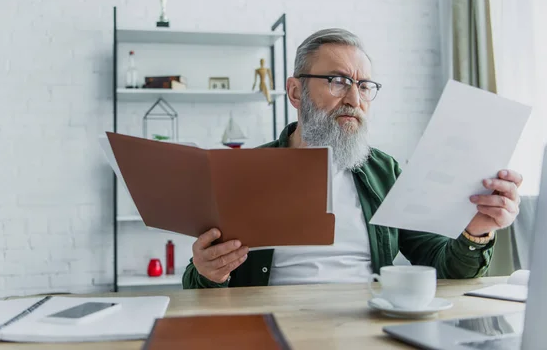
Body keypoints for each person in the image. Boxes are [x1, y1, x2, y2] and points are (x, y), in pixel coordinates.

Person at [182, 28, 523, 289]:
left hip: (366, 323)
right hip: (272, 324)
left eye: (364, 86)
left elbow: (445, 267)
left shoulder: (385, 171)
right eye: (338, 81)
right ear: (295, 92)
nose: (354, 99)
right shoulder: (244, 172)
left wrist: (476, 231)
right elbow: (196, 280)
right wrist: (208, 272)